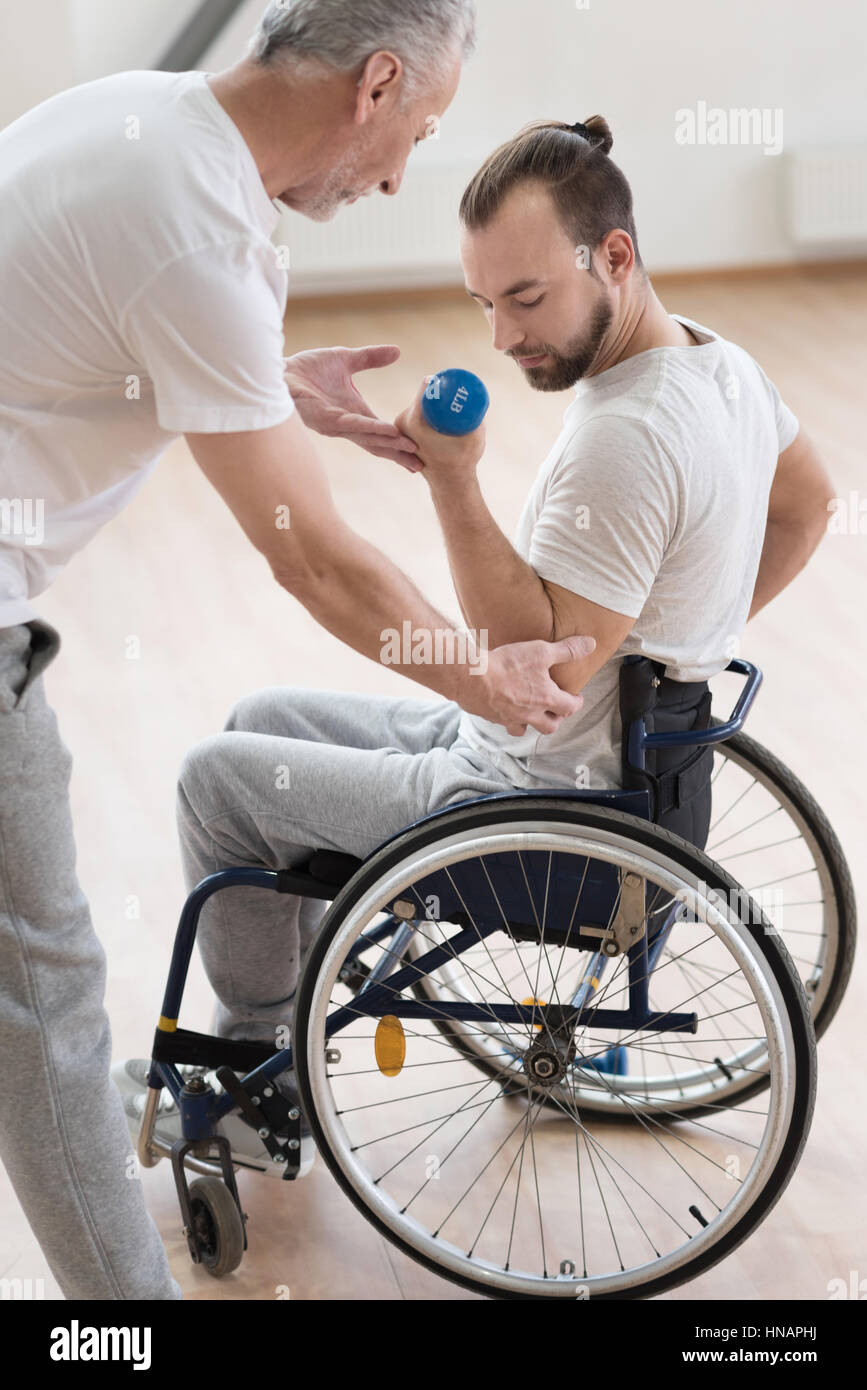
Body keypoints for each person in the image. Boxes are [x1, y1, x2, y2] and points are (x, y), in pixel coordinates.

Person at [0, 0, 588, 1301]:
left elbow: (92, 324)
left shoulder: (136, 119)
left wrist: (264, 385)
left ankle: (95, 1119)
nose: (389, 177)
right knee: (42, 994)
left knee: (36, 994)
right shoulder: (203, 230)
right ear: (376, 83)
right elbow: (312, 557)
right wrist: (479, 676)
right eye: (411, 136)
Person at [116, 115, 834, 1180]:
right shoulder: (712, 363)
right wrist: (693, 634)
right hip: (637, 772)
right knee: (261, 723)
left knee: (215, 782)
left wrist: (453, 480)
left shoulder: (624, 440)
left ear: (615, 256)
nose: (502, 337)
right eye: (484, 303)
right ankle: (287, 1017)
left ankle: (252, 1076)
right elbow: (811, 502)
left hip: (536, 802)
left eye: (528, 298)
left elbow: (530, 685)